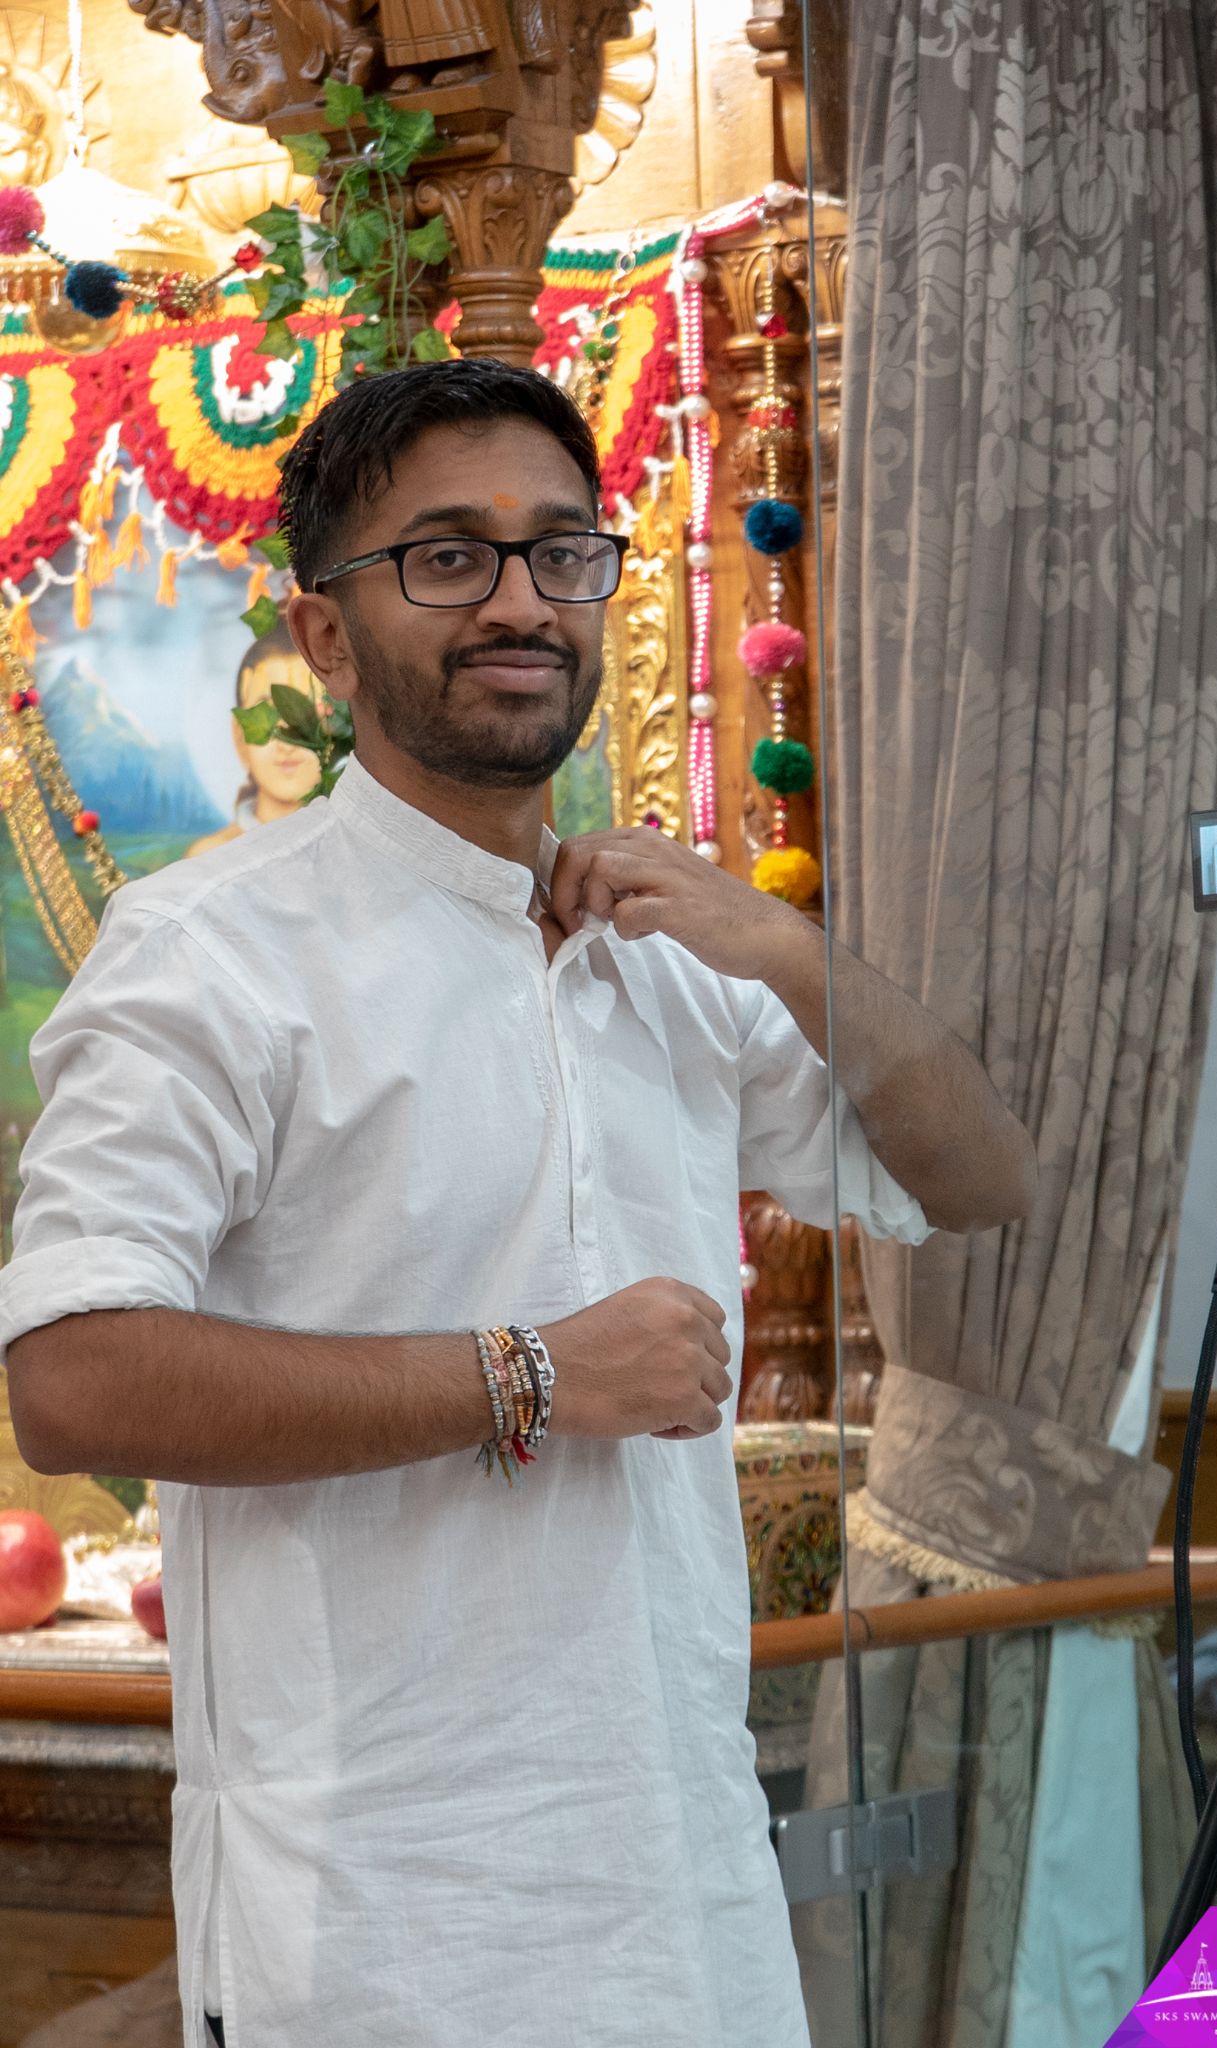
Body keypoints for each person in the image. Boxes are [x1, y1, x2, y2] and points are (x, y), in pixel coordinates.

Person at [0, 360, 1036, 2048]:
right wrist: (534, 1372)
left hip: (686, 1895)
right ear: (326, 636)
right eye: (446, 557)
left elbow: (981, 1177)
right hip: (380, 1928)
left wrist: (786, 948)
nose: (518, 600)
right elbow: (75, 1377)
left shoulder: (667, 952)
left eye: (561, 551)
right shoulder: (208, 955)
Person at [186, 625, 327, 858]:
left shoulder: (353, 847)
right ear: (239, 734)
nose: (286, 743)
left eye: (304, 712)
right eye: (266, 714)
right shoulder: (211, 858)